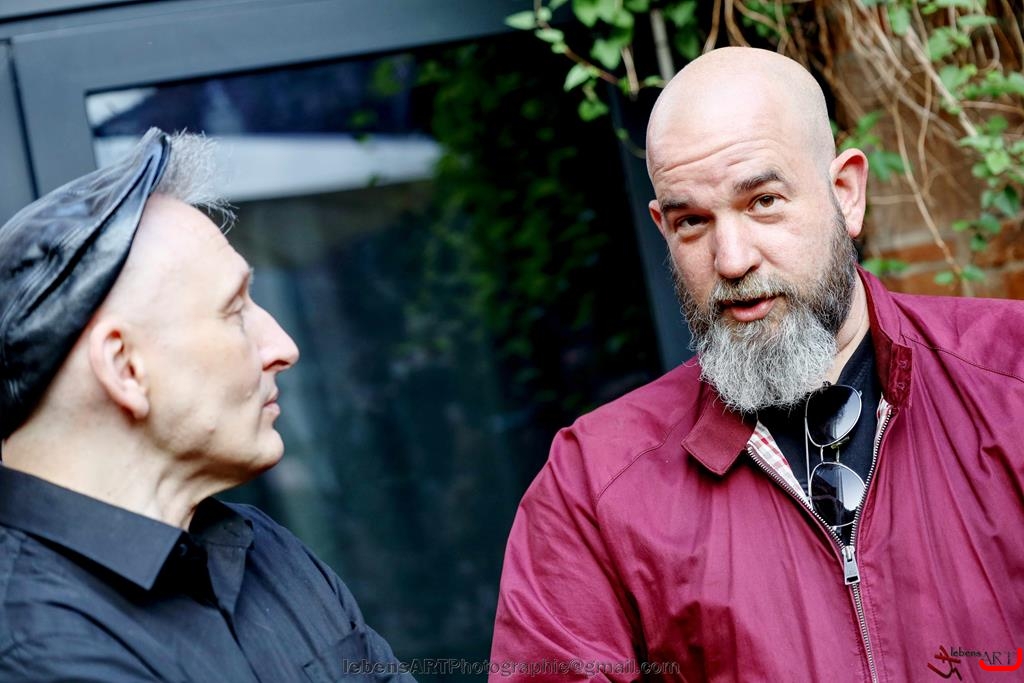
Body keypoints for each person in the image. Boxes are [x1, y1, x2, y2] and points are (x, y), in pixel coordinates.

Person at [489, 47, 1024, 681]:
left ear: (846, 194)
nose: (732, 258)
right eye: (693, 221)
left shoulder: (1011, 380)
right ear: (663, 229)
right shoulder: (592, 485)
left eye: (763, 201)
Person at [0, 129, 413, 681]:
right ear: (125, 367)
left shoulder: (263, 549)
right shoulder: (32, 642)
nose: (283, 347)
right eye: (234, 310)